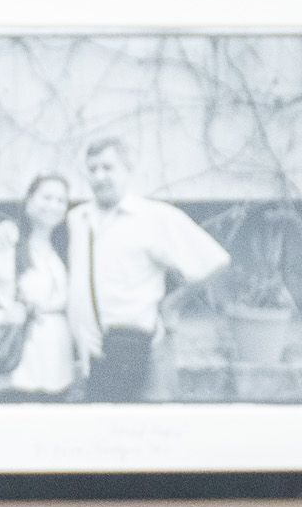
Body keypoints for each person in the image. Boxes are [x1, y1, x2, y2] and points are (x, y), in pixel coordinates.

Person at [66, 137, 229, 403]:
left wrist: (173, 303)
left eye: (108, 168)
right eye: (92, 169)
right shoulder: (78, 219)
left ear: (127, 170)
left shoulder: (153, 218)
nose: (99, 177)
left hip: (134, 350)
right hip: (89, 353)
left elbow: (213, 261)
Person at [0, 170, 87, 399]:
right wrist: (0, 316)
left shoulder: (64, 251)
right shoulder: (5, 245)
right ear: (29, 201)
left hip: (59, 363)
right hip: (18, 365)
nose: (53, 205)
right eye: (46, 197)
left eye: (61, 200)